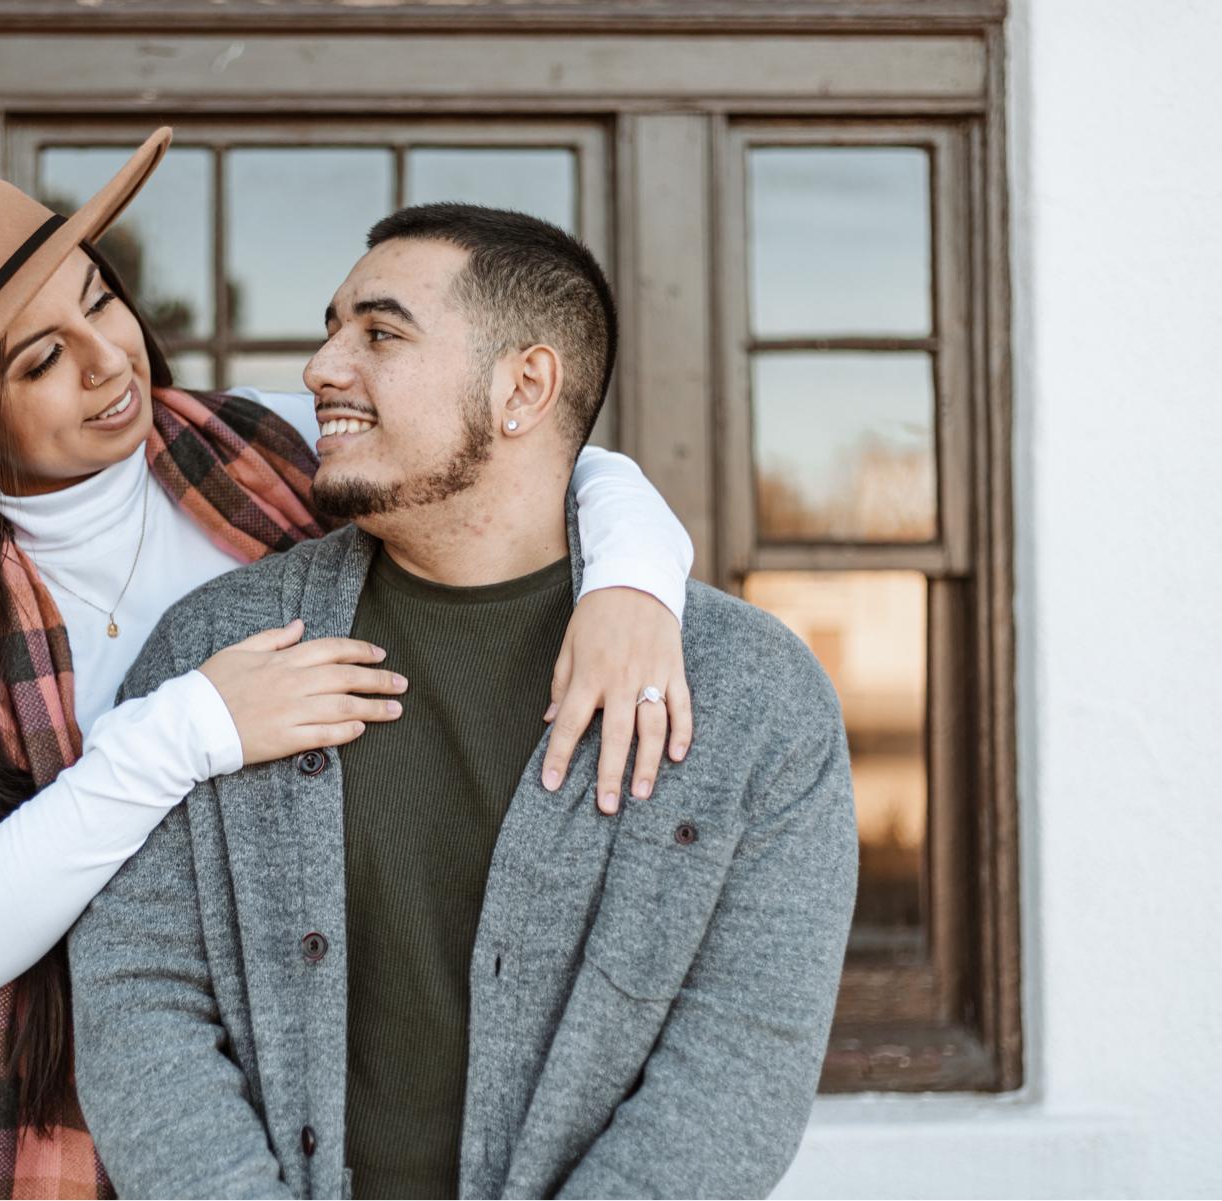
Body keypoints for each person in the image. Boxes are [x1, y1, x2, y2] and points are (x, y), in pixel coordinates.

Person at [0, 131, 699, 1199]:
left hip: (275, 1019)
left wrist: (633, 589)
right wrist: (194, 724)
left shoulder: (255, 446)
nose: (106, 360)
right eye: (38, 359)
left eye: (98, 301)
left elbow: (556, 454)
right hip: (44, 1071)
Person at [69, 203, 859, 1199]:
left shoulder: (755, 698)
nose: (320, 368)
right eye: (330, 327)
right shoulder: (217, 650)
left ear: (524, 385)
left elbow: (740, 1060)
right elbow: (137, 994)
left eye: (380, 332)